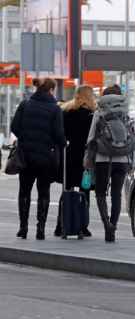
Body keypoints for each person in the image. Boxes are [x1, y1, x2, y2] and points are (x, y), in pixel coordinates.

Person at [11, 78, 65, 240]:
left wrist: (25, 139)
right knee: (43, 193)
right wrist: (63, 143)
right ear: (51, 90)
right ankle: (40, 229)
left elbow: (14, 127)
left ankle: (23, 228)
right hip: (46, 158)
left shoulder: (25, 104)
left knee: (24, 192)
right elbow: (58, 134)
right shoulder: (55, 109)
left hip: (26, 156)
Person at [85, 85, 135, 243]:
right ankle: (113, 225)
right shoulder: (126, 113)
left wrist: (88, 158)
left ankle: (107, 224)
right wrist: (131, 161)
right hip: (122, 159)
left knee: (100, 193)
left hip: (103, 159)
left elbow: (91, 137)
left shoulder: (100, 112)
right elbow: (133, 139)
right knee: (116, 194)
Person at [54, 85, 97, 238]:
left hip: (69, 156)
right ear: (90, 96)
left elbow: (60, 134)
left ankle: (61, 224)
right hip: (86, 158)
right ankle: (82, 226)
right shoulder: (92, 115)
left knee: (66, 190)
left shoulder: (66, 111)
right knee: (84, 192)